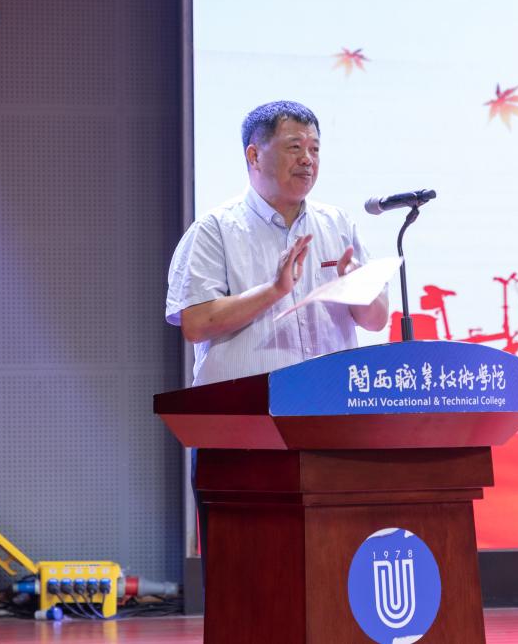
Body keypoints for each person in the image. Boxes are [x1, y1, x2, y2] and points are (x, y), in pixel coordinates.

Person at [164, 100, 388, 575]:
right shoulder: (215, 230)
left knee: (330, 570)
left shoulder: (338, 225)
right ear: (254, 155)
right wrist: (273, 290)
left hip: (328, 426)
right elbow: (196, 322)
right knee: (245, 572)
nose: (307, 159)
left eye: (314, 149)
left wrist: (357, 285)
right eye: (293, 147)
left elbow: (375, 319)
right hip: (242, 431)